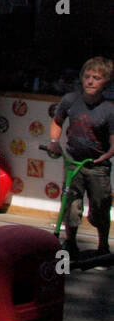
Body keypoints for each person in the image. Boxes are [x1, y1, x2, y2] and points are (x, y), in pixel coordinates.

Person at [49, 57, 114, 255]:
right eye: (87, 77)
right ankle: (70, 243)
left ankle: (103, 246)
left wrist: (106, 156)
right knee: (70, 203)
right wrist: (54, 142)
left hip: (97, 166)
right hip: (73, 162)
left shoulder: (109, 110)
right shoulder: (70, 100)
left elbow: (113, 142)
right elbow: (57, 122)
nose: (90, 81)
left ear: (106, 83)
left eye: (96, 78)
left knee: (100, 207)